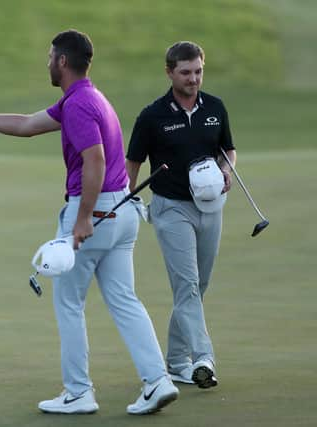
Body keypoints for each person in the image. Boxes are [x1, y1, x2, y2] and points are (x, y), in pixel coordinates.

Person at [0, 29, 178, 415]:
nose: (47, 63)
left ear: (61, 61)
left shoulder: (77, 106)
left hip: (95, 212)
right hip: (121, 213)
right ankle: (157, 380)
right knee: (124, 299)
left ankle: (78, 392)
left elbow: (95, 160)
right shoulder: (88, 97)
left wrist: (83, 218)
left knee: (68, 303)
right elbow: (25, 124)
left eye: (49, 57)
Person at [126, 41, 237, 389]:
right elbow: (133, 163)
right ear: (170, 72)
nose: (193, 79)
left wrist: (226, 169)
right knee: (187, 285)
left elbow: (228, 150)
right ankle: (203, 358)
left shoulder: (215, 108)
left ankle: (175, 361)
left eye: (198, 71)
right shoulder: (152, 116)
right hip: (170, 208)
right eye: (186, 72)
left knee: (196, 287)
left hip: (211, 208)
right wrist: (130, 199)